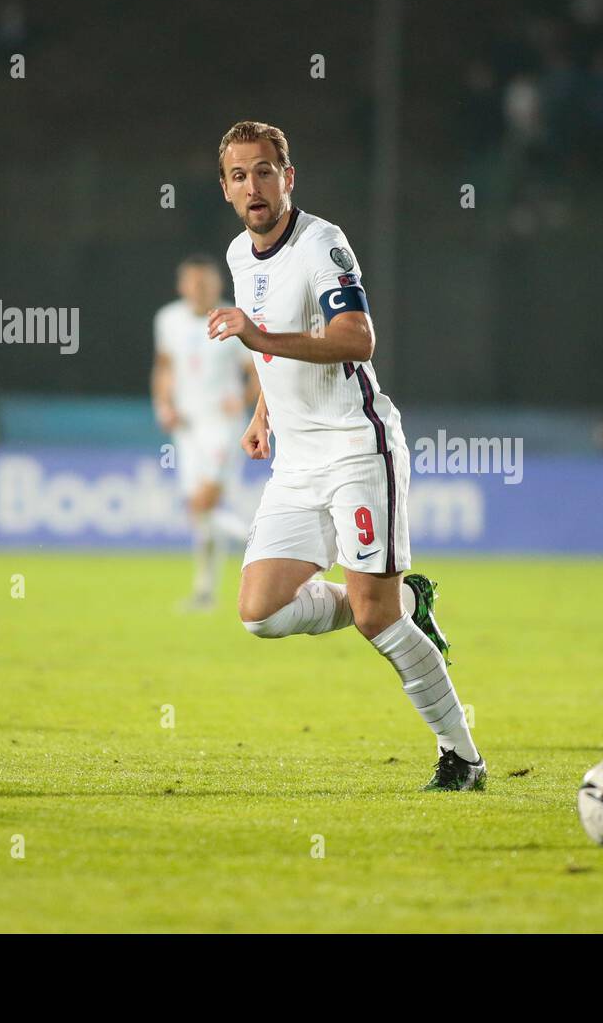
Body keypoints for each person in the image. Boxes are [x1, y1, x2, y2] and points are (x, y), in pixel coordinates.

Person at [207, 120, 485, 792]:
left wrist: (259, 335)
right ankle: (392, 599)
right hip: (296, 462)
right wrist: (262, 411)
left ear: (288, 176)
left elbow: (355, 339)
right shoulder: (240, 256)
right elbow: (272, 352)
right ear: (225, 189)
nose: (255, 185)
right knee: (262, 612)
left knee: (374, 619)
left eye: (266, 170)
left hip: (358, 449)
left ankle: (463, 758)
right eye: (240, 175)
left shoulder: (323, 244)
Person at [152, 254, 258, 610]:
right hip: (186, 429)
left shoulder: (234, 321)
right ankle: (205, 592)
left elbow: (258, 373)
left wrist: (243, 400)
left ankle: (276, 555)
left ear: (218, 285)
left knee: (203, 504)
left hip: (222, 428)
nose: (198, 290)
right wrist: (163, 405)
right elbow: (164, 366)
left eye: (206, 283)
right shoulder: (168, 319)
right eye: (192, 283)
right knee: (201, 515)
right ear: (182, 286)